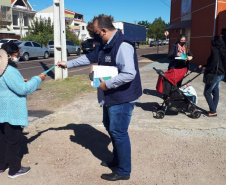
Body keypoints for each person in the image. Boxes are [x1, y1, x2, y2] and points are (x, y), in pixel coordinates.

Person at [57, 15, 142, 181]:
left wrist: (107, 85)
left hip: (123, 97)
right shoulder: (105, 45)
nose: (94, 36)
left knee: (118, 132)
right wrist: (67, 64)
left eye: (96, 33)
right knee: (110, 127)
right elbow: (88, 58)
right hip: (111, 96)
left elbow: (129, 73)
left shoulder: (123, 45)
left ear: (103, 30)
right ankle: (117, 159)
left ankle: (124, 171)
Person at [0, 42, 46, 178]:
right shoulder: (8, 70)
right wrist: (38, 79)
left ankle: (2, 166)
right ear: (9, 55)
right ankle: (14, 169)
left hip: (2, 111)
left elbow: (8, 86)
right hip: (11, 112)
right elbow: (23, 89)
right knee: (13, 140)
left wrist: (21, 82)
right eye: (16, 55)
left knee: (2, 139)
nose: (17, 57)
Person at [201, 30, 226, 117]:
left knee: (207, 92)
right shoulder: (222, 49)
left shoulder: (214, 49)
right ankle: (213, 109)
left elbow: (214, 61)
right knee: (216, 92)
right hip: (221, 73)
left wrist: (206, 68)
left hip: (214, 74)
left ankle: (213, 111)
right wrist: (205, 65)